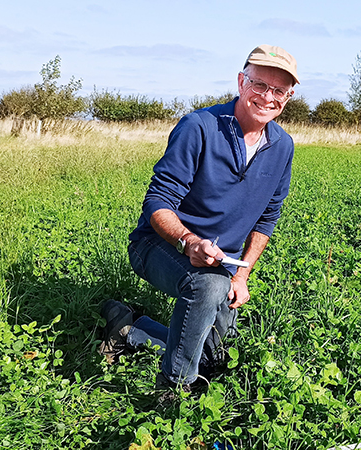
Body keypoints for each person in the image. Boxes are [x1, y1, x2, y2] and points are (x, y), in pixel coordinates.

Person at [98, 45, 299, 392]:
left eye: (279, 90)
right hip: (159, 245)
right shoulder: (200, 127)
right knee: (209, 286)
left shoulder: (282, 146)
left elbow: (267, 217)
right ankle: (174, 390)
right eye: (260, 84)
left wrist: (242, 272)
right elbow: (158, 200)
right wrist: (189, 242)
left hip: (221, 263)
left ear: (289, 96)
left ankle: (130, 328)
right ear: (241, 82)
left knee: (213, 357)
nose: (268, 97)